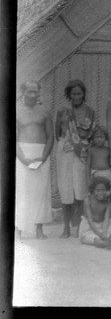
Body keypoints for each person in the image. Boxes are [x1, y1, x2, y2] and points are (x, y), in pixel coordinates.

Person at [56, 79, 96, 238]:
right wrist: (69, 143)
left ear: (84, 94)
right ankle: (65, 228)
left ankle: (79, 227)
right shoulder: (62, 111)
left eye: (79, 93)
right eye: (73, 93)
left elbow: (91, 133)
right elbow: (57, 133)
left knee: (80, 189)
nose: (77, 96)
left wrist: (81, 145)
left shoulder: (90, 111)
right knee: (66, 188)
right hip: (65, 151)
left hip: (82, 152)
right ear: (68, 95)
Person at [16, 80, 54, 239]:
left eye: (35, 92)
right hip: (22, 153)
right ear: (22, 92)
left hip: (41, 153)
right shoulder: (16, 111)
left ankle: (39, 229)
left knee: (41, 191)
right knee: (21, 191)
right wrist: (22, 158)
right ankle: (18, 230)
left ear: (39, 93)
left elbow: (51, 136)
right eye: (29, 91)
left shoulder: (45, 112)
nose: (32, 95)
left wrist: (44, 157)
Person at [79, 177, 111, 249]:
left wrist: (104, 232)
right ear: (92, 190)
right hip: (88, 228)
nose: (100, 193)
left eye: (103, 190)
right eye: (98, 190)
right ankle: (103, 243)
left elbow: (106, 218)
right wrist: (98, 233)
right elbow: (90, 219)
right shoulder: (88, 201)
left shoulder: (107, 202)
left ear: (107, 190)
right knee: (95, 239)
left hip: (102, 226)